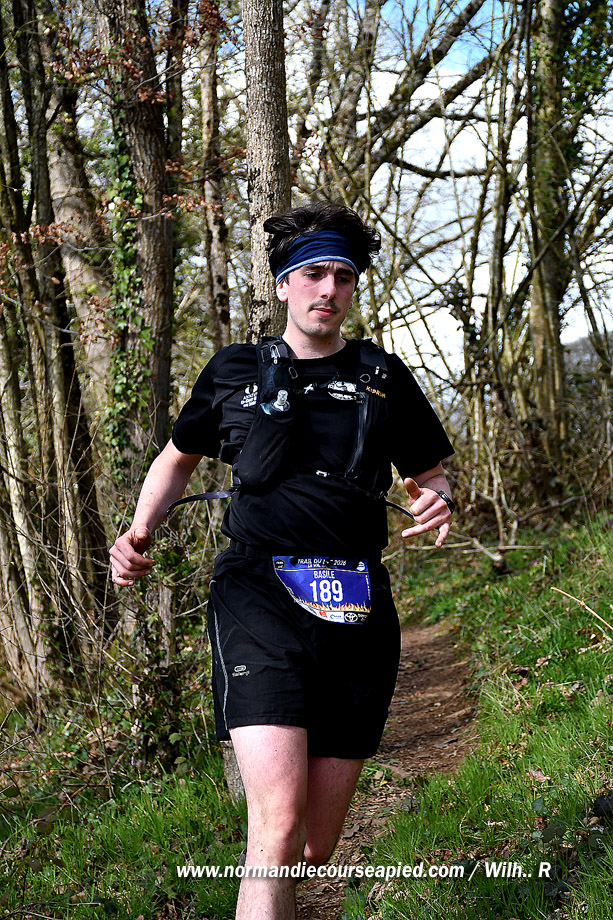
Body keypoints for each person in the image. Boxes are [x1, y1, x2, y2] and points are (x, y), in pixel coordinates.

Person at [110, 202, 455, 920]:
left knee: (311, 846)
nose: (327, 288)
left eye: (341, 276)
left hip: (356, 606)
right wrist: (138, 532)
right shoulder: (234, 370)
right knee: (274, 828)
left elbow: (431, 472)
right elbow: (176, 459)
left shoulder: (383, 376)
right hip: (257, 596)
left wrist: (437, 499)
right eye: (313, 274)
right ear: (283, 285)